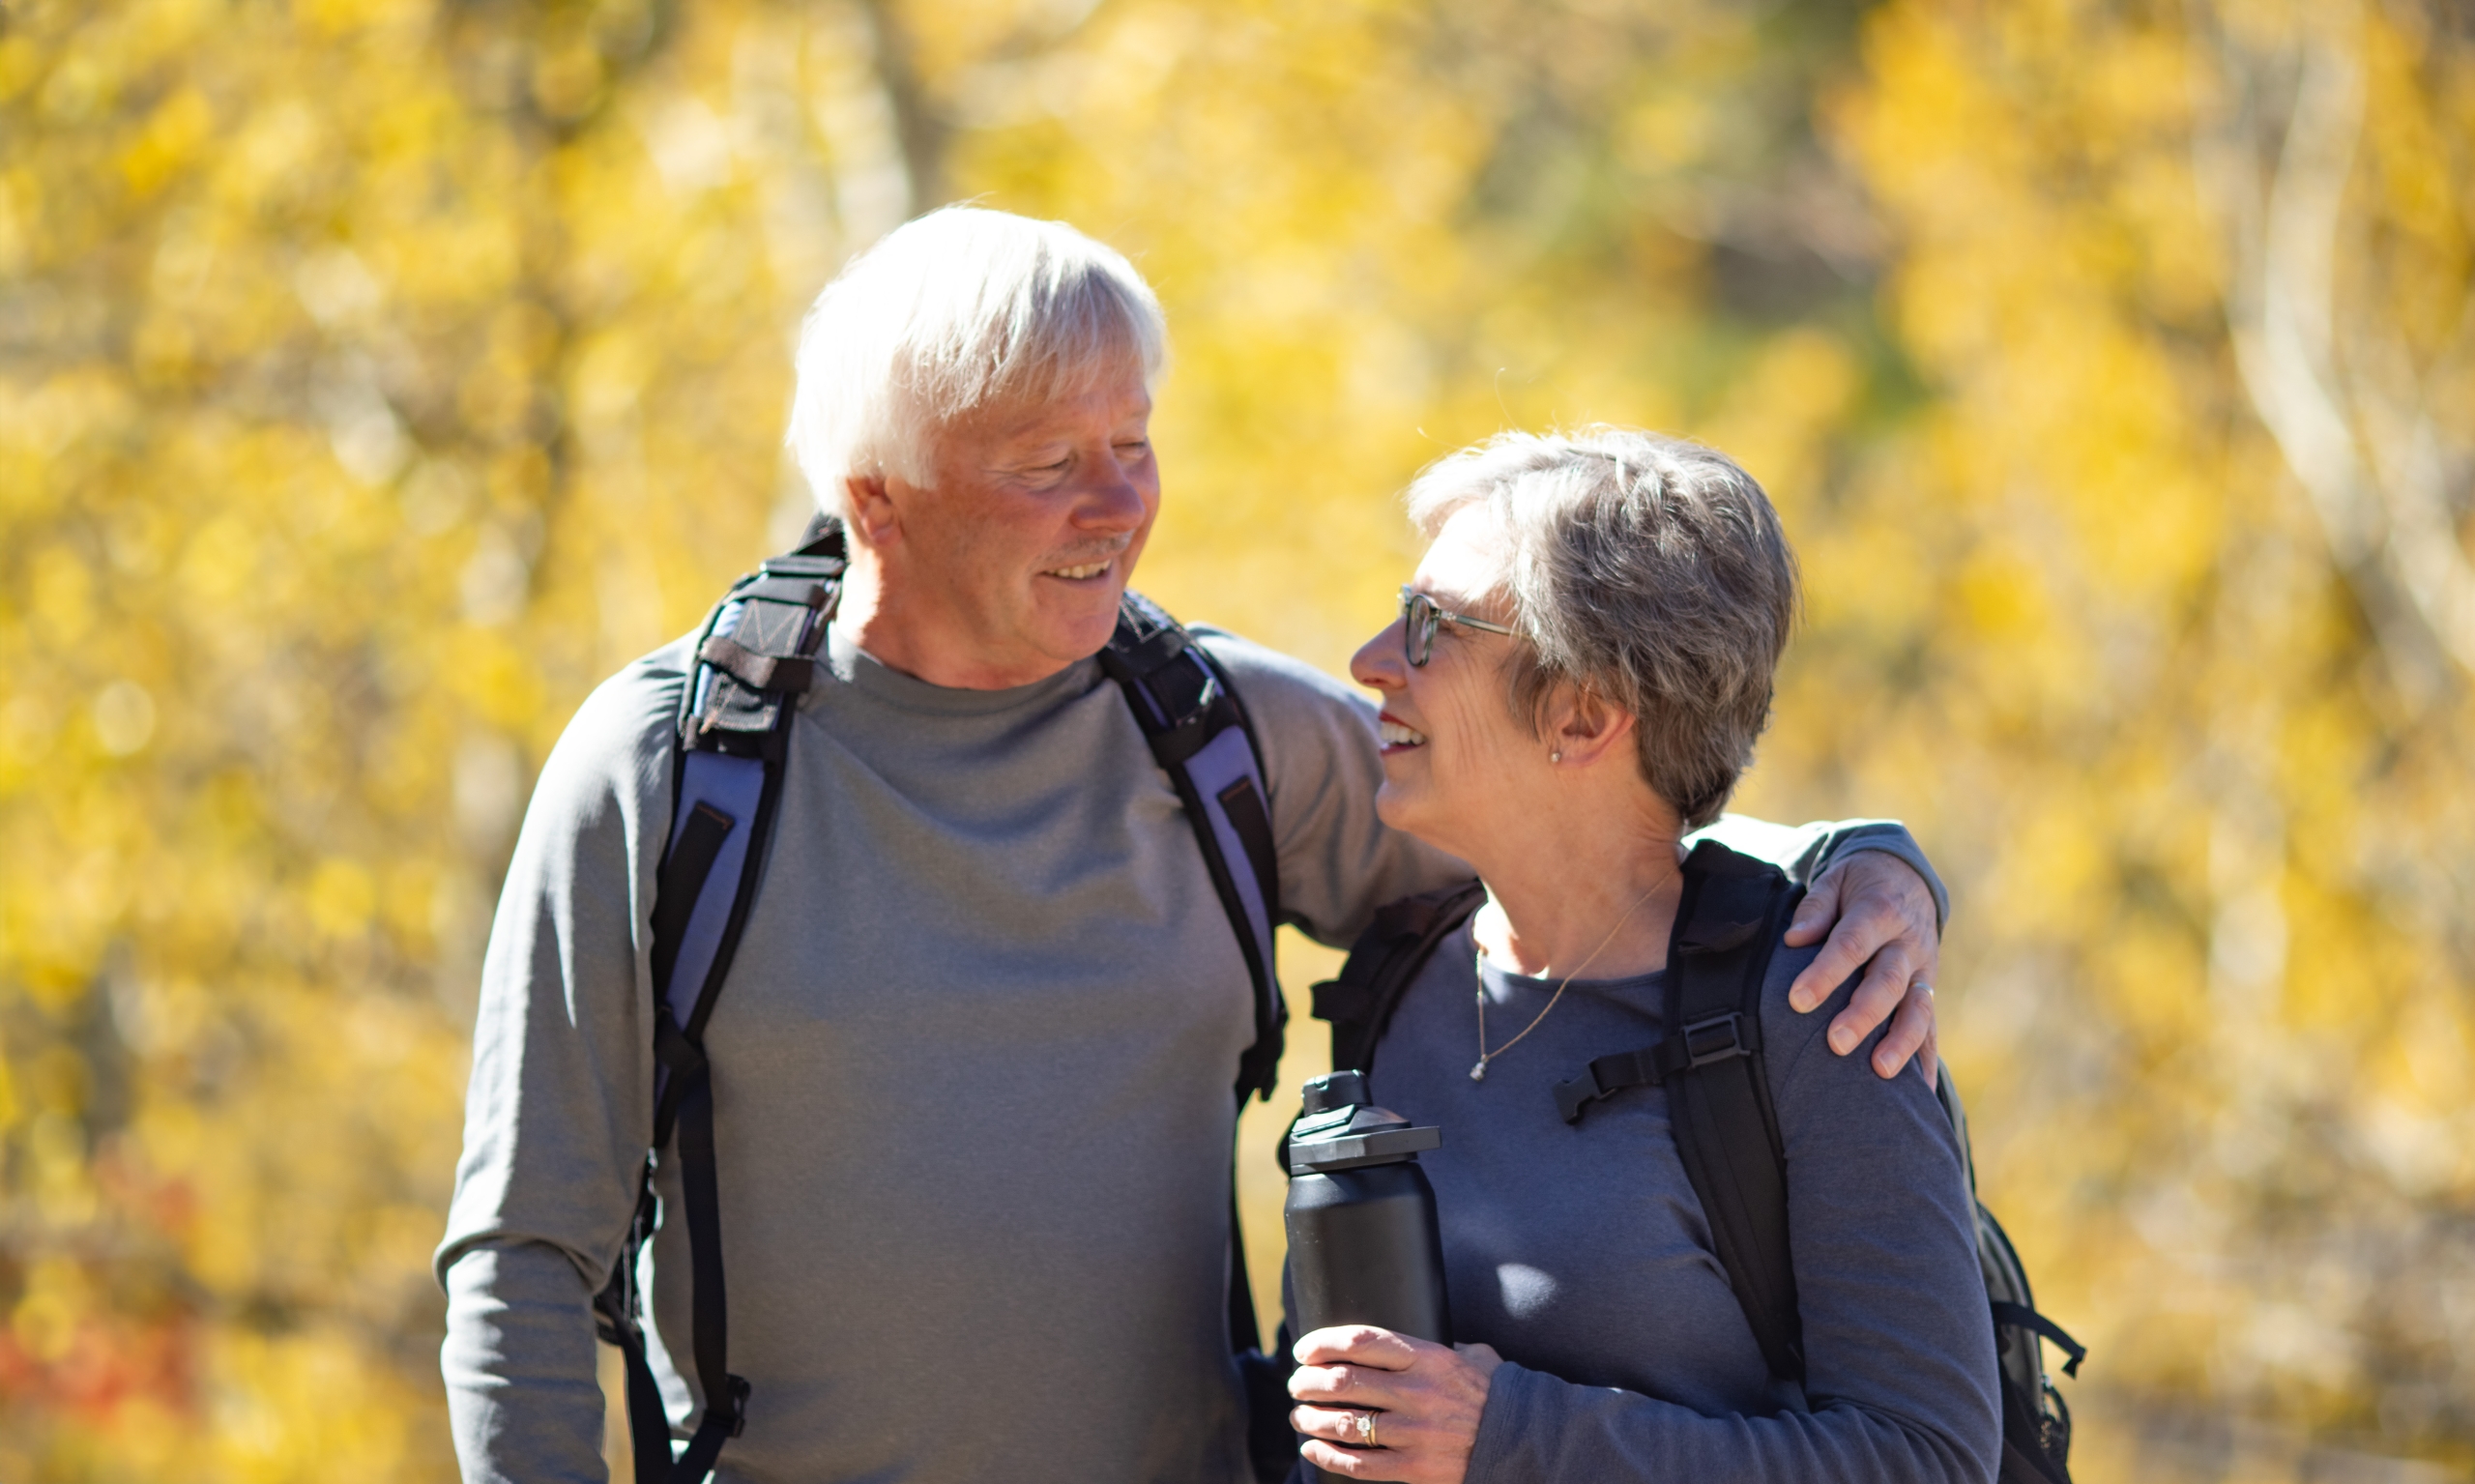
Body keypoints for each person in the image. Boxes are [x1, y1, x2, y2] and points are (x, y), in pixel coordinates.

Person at [433, 208, 1952, 1484]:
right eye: (1050, 464)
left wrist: (1860, 862)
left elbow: (1595, 819)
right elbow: (520, 1258)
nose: (1120, 508)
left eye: (1135, 444)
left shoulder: (1223, 734)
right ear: (879, 501)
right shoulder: (669, 775)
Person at [1280, 427, 2000, 1483]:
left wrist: (1509, 1438)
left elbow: (1925, 1460)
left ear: (1581, 715)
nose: (1372, 661)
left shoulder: (1816, 1005)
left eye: (1430, 626)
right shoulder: (1398, 975)